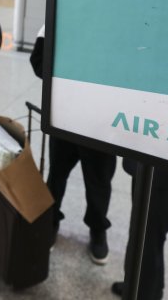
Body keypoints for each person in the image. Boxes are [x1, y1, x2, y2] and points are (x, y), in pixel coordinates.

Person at [30, 24, 117, 264]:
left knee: (99, 181)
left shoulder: (117, 22)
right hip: (65, 116)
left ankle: (98, 228)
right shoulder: (56, 20)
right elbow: (38, 63)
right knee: (57, 174)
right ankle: (51, 221)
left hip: (101, 122)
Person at [111, 160, 168, 300]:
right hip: (151, 164)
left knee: (146, 240)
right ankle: (143, 288)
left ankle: (141, 293)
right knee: (147, 236)